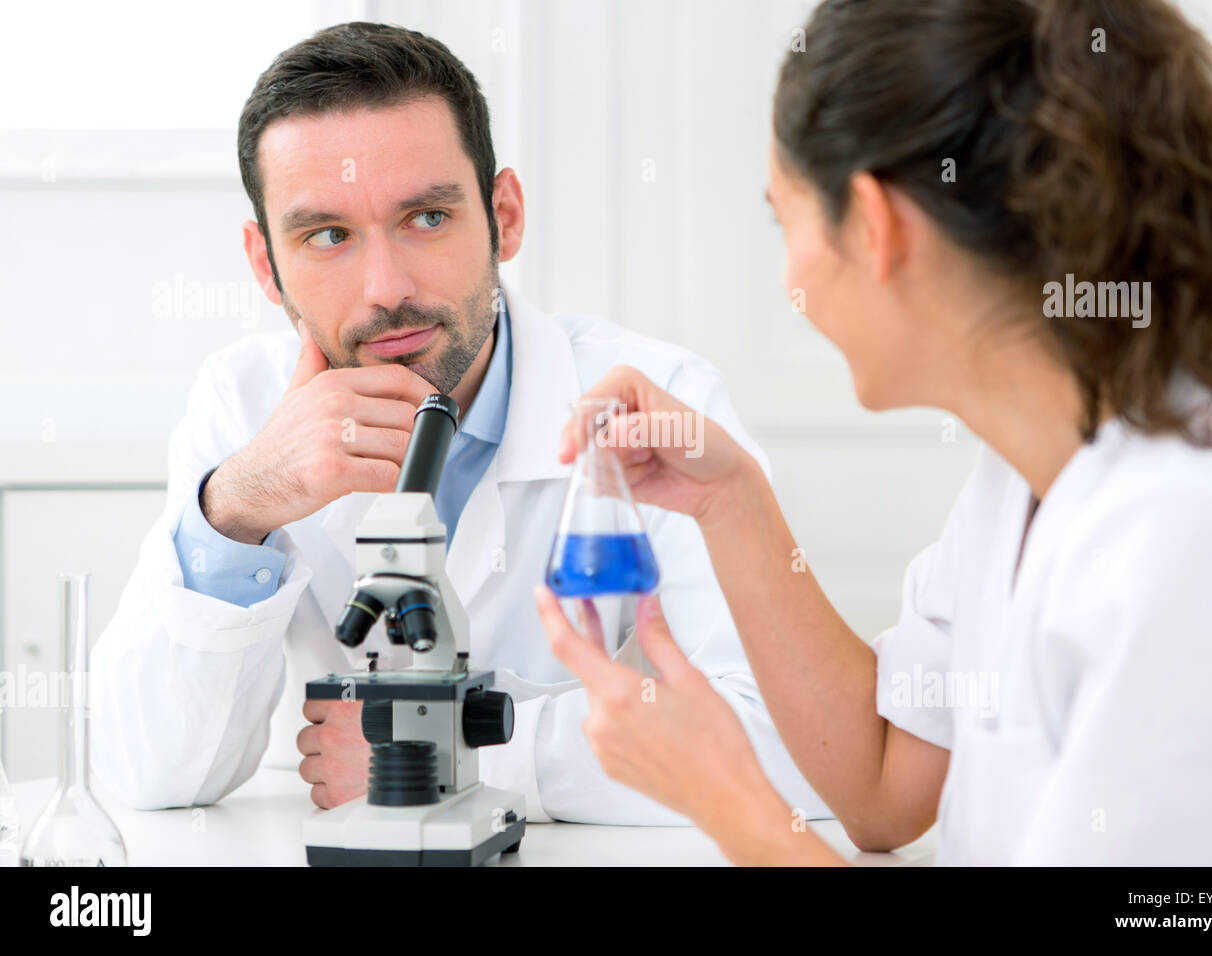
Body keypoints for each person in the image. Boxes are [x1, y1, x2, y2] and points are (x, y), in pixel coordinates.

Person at [534, 0, 1212, 864]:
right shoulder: (1027, 466)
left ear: (875, 225)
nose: (789, 274)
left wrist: (728, 800)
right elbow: (881, 789)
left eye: (786, 224)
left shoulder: (1208, 535)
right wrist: (728, 498)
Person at [89, 22, 830, 827]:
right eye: (327, 236)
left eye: (427, 218)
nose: (386, 288)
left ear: (503, 216)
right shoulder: (239, 407)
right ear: (265, 264)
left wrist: (456, 749)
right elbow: (149, 769)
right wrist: (240, 504)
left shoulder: (660, 400)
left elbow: (806, 748)